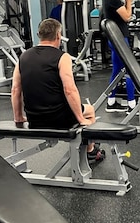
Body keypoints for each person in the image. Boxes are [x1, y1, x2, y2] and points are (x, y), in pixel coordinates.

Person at [11, 18, 103, 161]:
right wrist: (80, 118)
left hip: (34, 119)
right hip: (59, 119)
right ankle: (90, 150)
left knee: (81, 111)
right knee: (90, 111)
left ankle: (88, 147)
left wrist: (18, 117)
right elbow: (69, 89)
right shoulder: (62, 57)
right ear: (58, 35)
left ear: (38, 35)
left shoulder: (23, 57)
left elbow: (16, 89)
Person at [101, 0, 136, 113]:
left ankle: (111, 102)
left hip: (115, 39)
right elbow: (127, 17)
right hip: (120, 40)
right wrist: (129, 1)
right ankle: (132, 104)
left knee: (116, 71)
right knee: (129, 70)